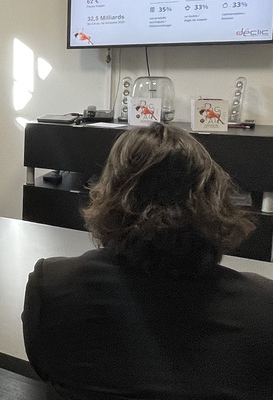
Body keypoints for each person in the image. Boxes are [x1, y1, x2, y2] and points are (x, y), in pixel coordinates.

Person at [22, 123, 273, 399]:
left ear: (109, 196)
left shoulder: (52, 285)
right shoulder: (263, 306)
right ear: (215, 199)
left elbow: (43, 366)